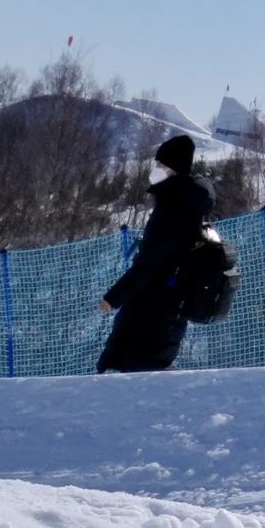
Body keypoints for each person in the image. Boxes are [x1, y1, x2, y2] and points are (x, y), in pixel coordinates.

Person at [96, 132, 216, 374]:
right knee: (151, 368)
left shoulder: (172, 210)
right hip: (171, 305)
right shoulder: (192, 206)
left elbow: (150, 263)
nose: (155, 170)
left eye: (160, 165)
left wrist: (113, 297)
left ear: (173, 168)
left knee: (124, 370)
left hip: (151, 307)